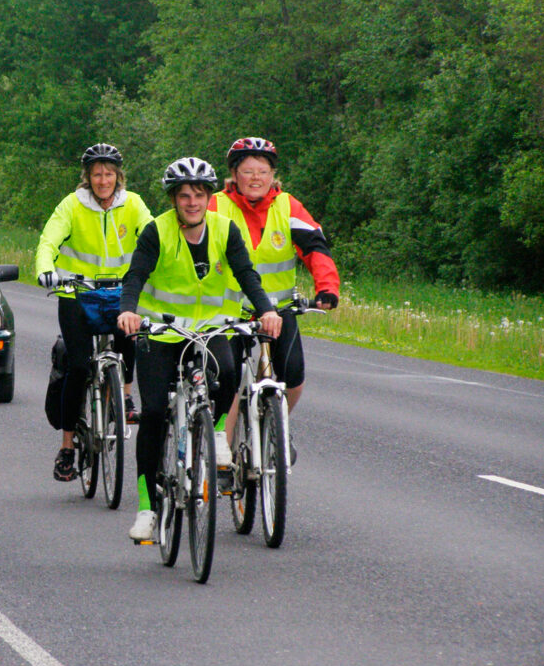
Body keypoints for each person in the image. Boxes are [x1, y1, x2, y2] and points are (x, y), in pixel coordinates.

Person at [116, 157, 282, 541]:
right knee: (153, 413)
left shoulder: (225, 229)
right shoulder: (157, 231)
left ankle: (218, 433)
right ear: (174, 199)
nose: (192, 202)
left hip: (209, 331)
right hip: (161, 334)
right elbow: (136, 274)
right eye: (184, 196)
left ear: (209, 197)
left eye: (199, 195)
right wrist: (128, 310)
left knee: (228, 372)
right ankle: (147, 509)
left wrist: (267, 310)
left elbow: (246, 274)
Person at [210, 137, 339, 448]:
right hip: (230, 311)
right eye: (248, 171)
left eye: (263, 171)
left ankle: (276, 425)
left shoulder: (287, 205)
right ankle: (224, 452)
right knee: (228, 381)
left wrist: (326, 287)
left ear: (273, 175)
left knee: (292, 376)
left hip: (278, 311)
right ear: (234, 175)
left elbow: (315, 247)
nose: (256, 178)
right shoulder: (217, 205)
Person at [35, 143, 153, 482]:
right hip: (78, 293)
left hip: (119, 291)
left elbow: (153, 237)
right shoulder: (72, 205)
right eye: (97, 174)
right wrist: (45, 268)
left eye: (109, 174)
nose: (103, 180)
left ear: (118, 176)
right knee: (78, 365)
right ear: (88, 177)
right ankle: (67, 447)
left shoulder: (133, 203)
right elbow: (48, 241)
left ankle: (125, 397)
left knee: (130, 332)